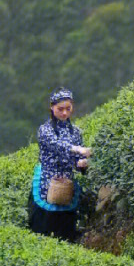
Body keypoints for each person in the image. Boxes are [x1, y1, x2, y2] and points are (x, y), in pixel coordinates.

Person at [29, 88, 91, 241]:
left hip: (66, 185)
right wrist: (77, 149)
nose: (64, 113)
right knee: (42, 230)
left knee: (65, 232)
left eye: (68, 109)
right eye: (60, 109)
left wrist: (81, 164)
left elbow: (76, 160)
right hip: (47, 183)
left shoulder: (76, 132)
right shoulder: (45, 130)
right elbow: (57, 145)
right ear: (52, 107)